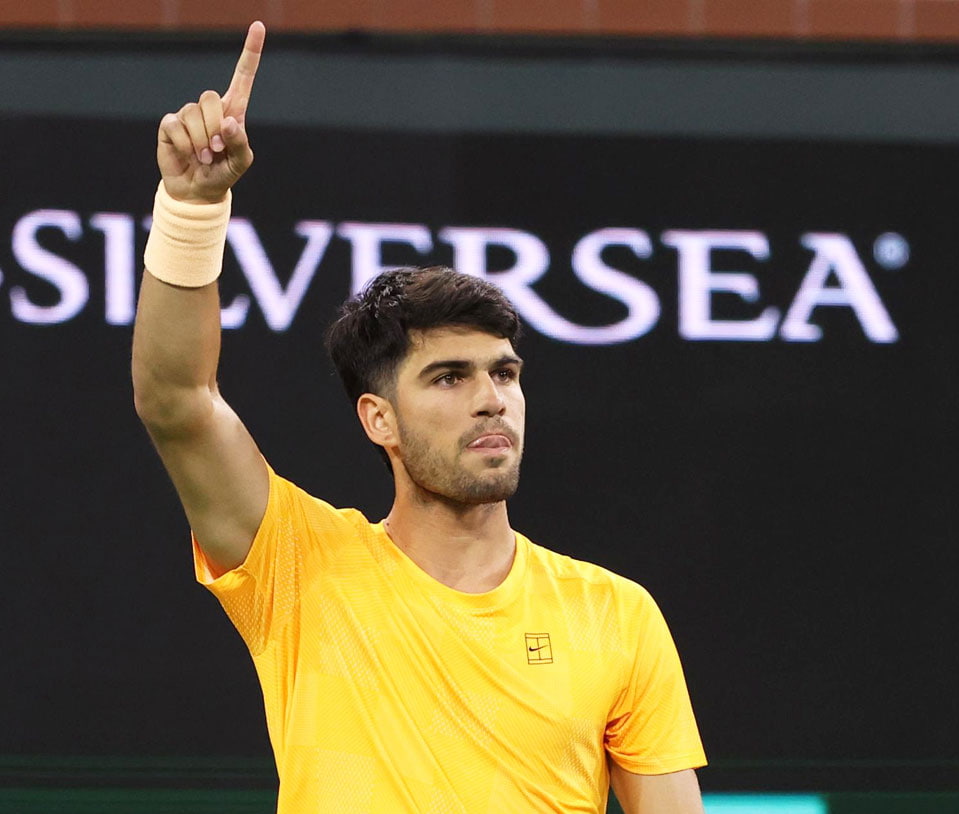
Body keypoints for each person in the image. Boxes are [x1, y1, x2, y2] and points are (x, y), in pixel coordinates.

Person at [132, 21, 706, 814]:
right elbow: (176, 400)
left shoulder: (616, 615)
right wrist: (192, 208)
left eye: (505, 373)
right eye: (449, 377)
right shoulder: (300, 572)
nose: (490, 397)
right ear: (380, 420)